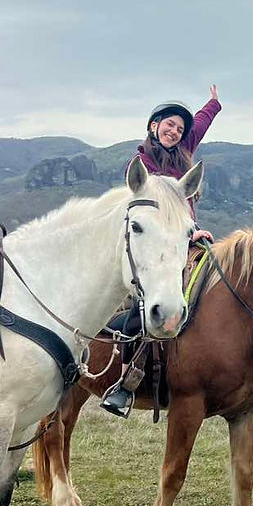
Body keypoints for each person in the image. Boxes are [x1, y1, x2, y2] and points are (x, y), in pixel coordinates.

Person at [99, 88, 221, 417]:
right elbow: (154, 216)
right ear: (154, 126)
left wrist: (213, 104)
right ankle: (127, 381)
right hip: (153, 245)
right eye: (168, 125)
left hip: (184, 240)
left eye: (179, 130)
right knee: (139, 310)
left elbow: (199, 125)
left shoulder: (182, 153)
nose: (174, 132)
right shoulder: (144, 163)